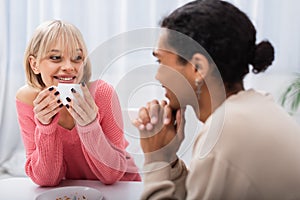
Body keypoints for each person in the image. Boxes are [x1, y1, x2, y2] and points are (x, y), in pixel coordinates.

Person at [133, 0, 300, 199]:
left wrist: (156, 159)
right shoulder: (252, 108)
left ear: (198, 68)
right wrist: (169, 160)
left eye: (160, 61)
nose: (157, 76)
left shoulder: (226, 133)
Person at [16, 20, 140, 186]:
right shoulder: (27, 100)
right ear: (34, 64)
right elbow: (46, 180)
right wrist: (45, 127)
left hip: (124, 188)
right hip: (74, 191)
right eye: (55, 57)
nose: (69, 67)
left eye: (77, 58)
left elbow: (112, 175)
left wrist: (89, 125)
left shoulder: (103, 93)